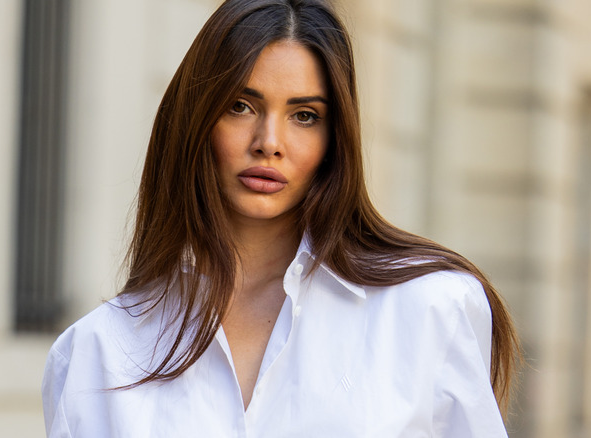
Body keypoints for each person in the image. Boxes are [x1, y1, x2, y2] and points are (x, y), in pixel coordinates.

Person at [42, 0, 522, 436]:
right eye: (240, 106)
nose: (269, 141)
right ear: (196, 121)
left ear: (335, 139)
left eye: (305, 115)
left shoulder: (431, 308)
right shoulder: (95, 352)